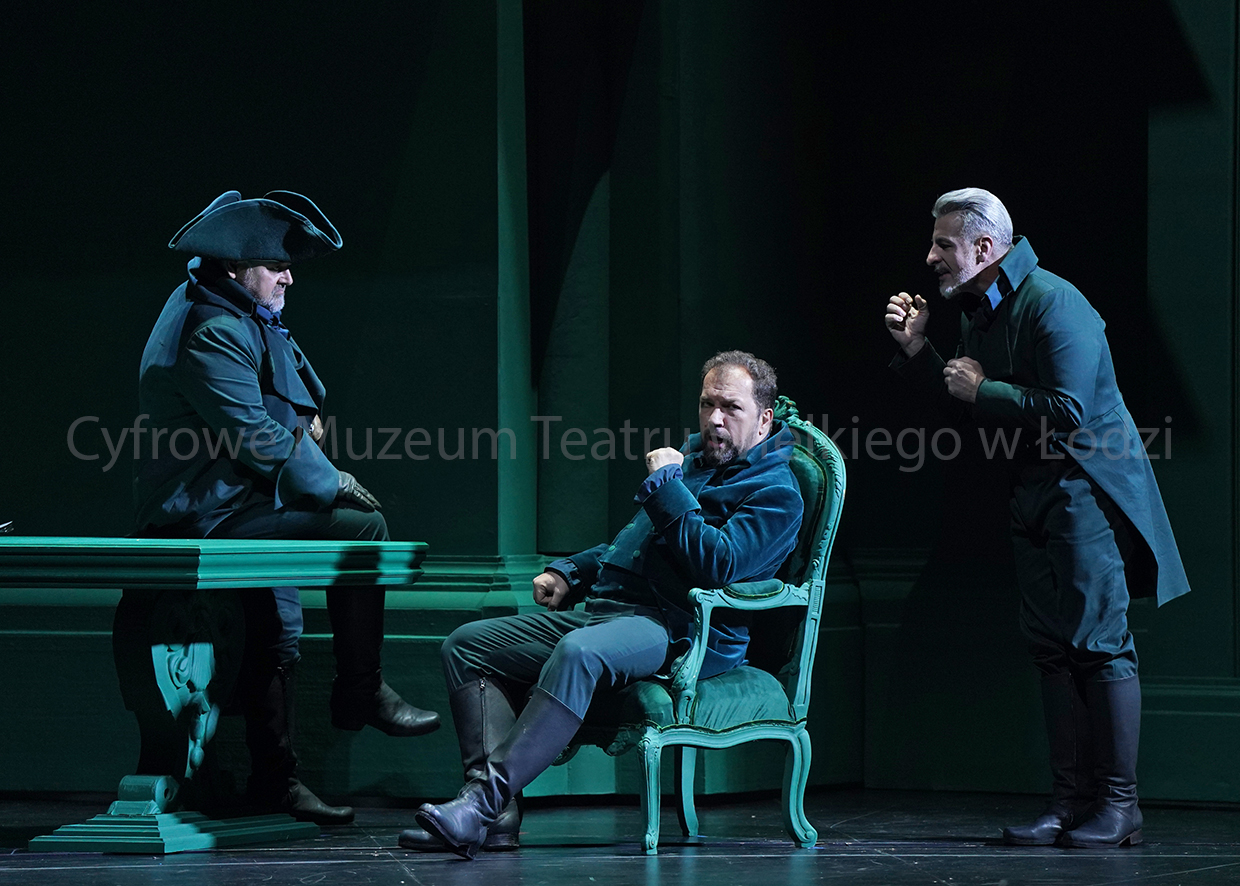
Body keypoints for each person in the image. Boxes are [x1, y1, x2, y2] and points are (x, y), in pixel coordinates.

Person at [397, 350, 804, 859]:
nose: (714, 420)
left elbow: (718, 564)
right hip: (613, 611)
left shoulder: (776, 492)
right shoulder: (695, 460)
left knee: (579, 652)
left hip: (679, 627)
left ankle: (479, 803)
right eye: (707, 404)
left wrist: (668, 486)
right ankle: (497, 820)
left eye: (731, 408)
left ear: (764, 419)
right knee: (466, 646)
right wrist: (572, 571)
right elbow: (637, 541)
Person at [885, 188, 1190, 848]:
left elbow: (1071, 410)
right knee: (1052, 647)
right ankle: (1069, 803)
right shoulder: (983, 310)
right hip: (1031, 489)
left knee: (1098, 642)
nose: (931, 256)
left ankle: (1120, 805)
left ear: (983, 248)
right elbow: (967, 406)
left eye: (943, 244)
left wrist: (984, 388)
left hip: (1085, 487)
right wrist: (918, 352)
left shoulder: (1055, 301)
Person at [132, 190, 440, 824]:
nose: (289, 278)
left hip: (243, 499)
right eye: (276, 267)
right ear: (235, 267)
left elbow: (285, 410)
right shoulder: (211, 328)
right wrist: (331, 477)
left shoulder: (235, 311)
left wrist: (304, 436)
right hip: (204, 514)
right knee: (363, 527)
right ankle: (360, 692)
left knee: (278, 623)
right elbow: (255, 433)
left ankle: (276, 780)